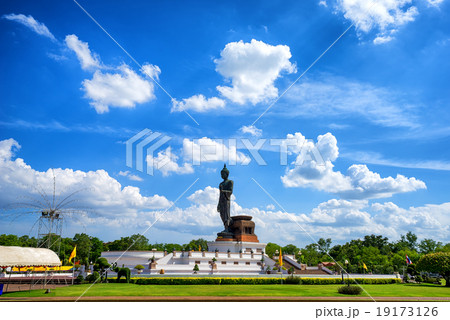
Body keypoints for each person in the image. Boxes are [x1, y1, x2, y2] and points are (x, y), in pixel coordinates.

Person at [217, 164, 233, 232]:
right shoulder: (221, 184)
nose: (222, 176)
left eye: (223, 174)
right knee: (222, 214)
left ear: (227, 174)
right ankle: (225, 227)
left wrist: (223, 190)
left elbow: (230, 191)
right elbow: (220, 195)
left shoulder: (230, 182)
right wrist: (218, 204)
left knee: (226, 214)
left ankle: (227, 228)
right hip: (222, 201)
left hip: (226, 200)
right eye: (221, 174)